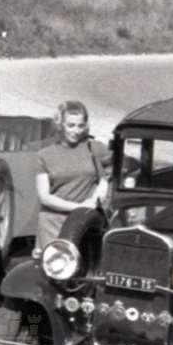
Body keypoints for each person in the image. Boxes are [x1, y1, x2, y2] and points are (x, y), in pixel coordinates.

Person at [33, 100, 109, 248]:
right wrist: (78, 207)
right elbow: (45, 197)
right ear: (60, 124)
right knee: (54, 261)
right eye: (71, 125)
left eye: (81, 125)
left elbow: (111, 175)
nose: (76, 131)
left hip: (85, 222)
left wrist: (95, 199)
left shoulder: (95, 148)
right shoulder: (44, 155)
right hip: (52, 224)